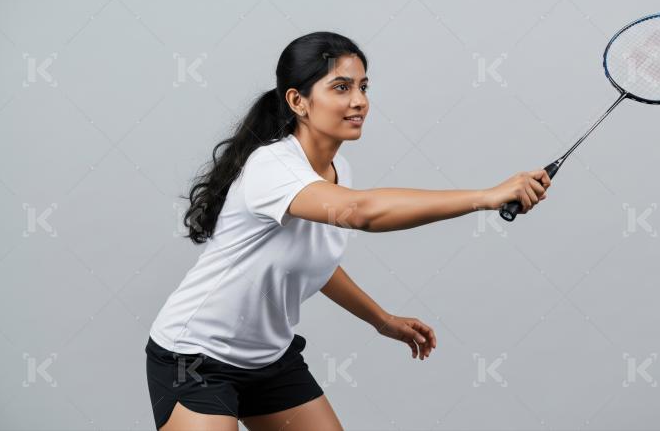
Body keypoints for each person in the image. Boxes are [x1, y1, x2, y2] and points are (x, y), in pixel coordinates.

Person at [145, 31, 550, 431]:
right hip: (195, 358)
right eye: (341, 87)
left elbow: (313, 262)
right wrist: (485, 196)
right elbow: (360, 212)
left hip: (268, 360)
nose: (359, 101)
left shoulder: (337, 175)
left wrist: (381, 320)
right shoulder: (272, 167)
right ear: (298, 101)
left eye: (363, 86)